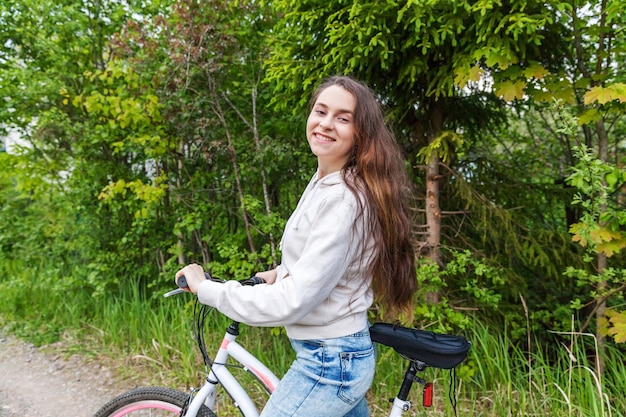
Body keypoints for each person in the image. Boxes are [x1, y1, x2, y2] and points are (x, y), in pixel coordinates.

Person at [176, 75, 417, 417]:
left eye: (343, 118)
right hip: (332, 356)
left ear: (361, 133)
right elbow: (330, 261)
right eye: (321, 111)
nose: (326, 123)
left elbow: (293, 301)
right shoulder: (327, 180)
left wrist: (209, 290)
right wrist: (283, 271)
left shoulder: (342, 199)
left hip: (330, 365)